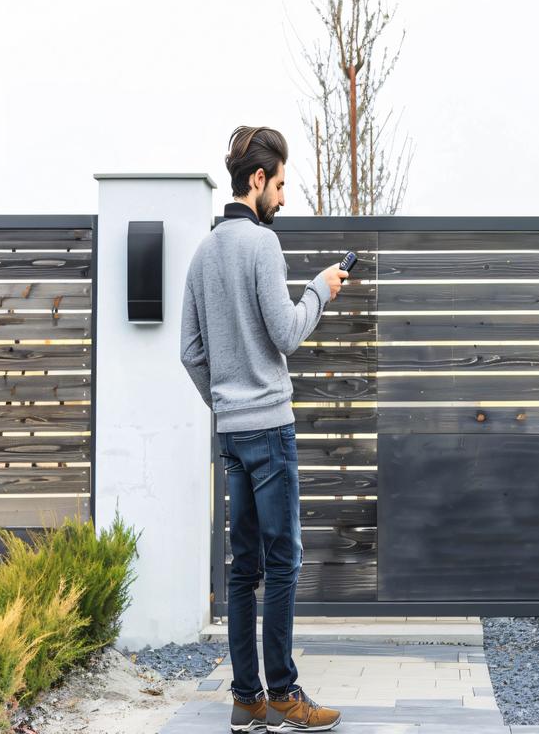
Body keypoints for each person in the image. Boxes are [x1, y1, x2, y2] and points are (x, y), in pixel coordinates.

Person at [180, 125, 347, 732]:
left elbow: (190, 352)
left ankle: (246, 699)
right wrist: (319, 290)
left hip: (231, 436)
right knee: (282, 563)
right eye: (279, 184)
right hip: (271, 432)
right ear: (257, 180)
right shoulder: (260, 247)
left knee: (242, 567)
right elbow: (286, 333)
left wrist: (224, 406)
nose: (283, 194)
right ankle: (282, 693)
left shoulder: (203, 253)